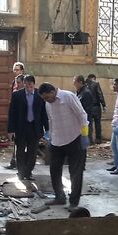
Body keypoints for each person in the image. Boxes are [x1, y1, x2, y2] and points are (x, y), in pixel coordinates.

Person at [39, 83, 89, 211]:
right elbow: (51, 120)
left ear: (53, 91)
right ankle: (59, 197)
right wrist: (49, 136)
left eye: (47, 97)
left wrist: (84, 135)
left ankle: (73, 202)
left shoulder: (68, 96)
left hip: (75, 139)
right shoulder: (47, 104)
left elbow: (82, 115)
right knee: (54, 170)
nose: (46, 100)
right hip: (56, 141)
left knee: (75, 173)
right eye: (44, 99)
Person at [7, 75, 48, 180]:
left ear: (34, 84)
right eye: (26, 83)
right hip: (20, 128)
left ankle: (28, 172)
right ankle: (21, 172)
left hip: (35, 128)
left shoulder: (39, 95)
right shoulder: (17, 95)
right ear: (23, 84)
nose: (28, 86)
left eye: (30, 83)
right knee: (20, 151)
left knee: (32, 152)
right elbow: (12, 113)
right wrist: (10, 130)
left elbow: (44, 113)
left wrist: (47, 129)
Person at [6, 62, 25, 170]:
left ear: (22, 70)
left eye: (17, 70)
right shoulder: (14, 82)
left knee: (21, 142)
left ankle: (19, 163)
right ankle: (14, 161)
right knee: (16, 140)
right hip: (15, 112)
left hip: (23, 115)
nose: (15, 71)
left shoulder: (25, 81)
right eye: (14, 69)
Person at [86, 74, 106, 144]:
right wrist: (103, 105)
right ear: (93, 78)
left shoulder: (84, 84)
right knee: (97, 124)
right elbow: (100, 94)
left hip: (88, 107)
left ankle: (90, 140)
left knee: (89, 124)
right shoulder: (96, 84)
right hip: (96, 106)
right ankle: (98, 139)